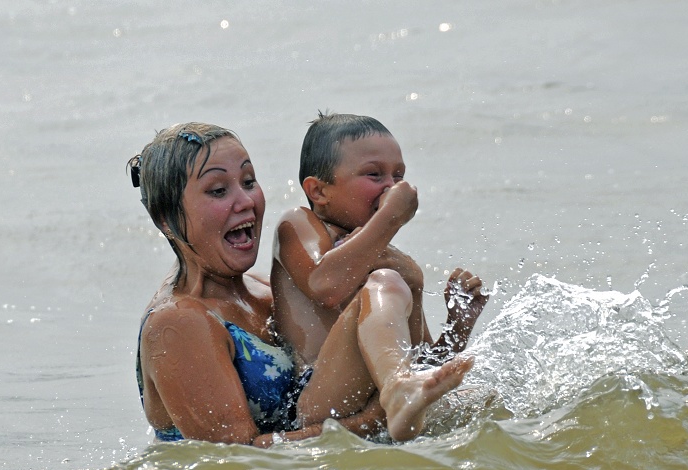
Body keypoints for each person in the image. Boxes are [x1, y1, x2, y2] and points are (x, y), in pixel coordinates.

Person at [129, 122, 469, 446]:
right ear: (166, 219)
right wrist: (372, 420)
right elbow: (235, 462)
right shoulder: (177, 324)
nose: (245, 201)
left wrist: (455, 326)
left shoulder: (272, 292)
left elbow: (417, 367)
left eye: (249, 182)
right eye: (218, 190)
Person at [270, 112, 489, 440]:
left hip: (384, 397)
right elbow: (325, 285)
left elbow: (421, 361)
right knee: (388, 280)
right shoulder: (300, 225)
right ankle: (396, 392)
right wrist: (390, 218)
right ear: (318, 191)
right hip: (315, 398)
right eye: (374, 175)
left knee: (484, 400)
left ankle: (399, 395)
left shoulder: (387, 259)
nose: (391, 187)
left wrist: (458, 328)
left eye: (398, 175)